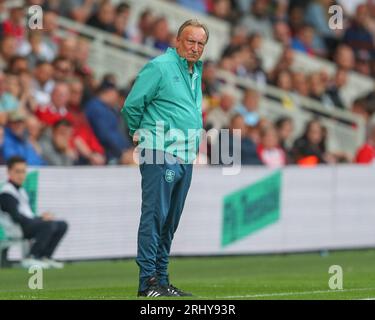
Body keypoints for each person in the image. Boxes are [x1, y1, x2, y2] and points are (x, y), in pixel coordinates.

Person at [122, 19, 209, 297]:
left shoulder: (195, 72)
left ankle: (161, 279)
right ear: (177, 41)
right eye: (190, 41)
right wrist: (141, 135)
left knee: (170, 221)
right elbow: (132, 105)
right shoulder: (159, 67)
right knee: (155, 216)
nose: (195, 48)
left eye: (200, 43)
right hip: (160, 151)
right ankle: (147, 282)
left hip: (184, 154)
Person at [0, 156, 68, 268]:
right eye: (17, 171)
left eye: (23, 171)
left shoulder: (21, 191)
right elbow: (17, 217)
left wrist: (40, 218)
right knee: (48, 225)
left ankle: (45, 256)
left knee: (62, 225)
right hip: (16, 228)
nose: (21, 175)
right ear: (9, 172)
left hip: (26, 224)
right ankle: (31, 256)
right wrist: (40, 220)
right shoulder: (6, 193)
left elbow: (26, 214)